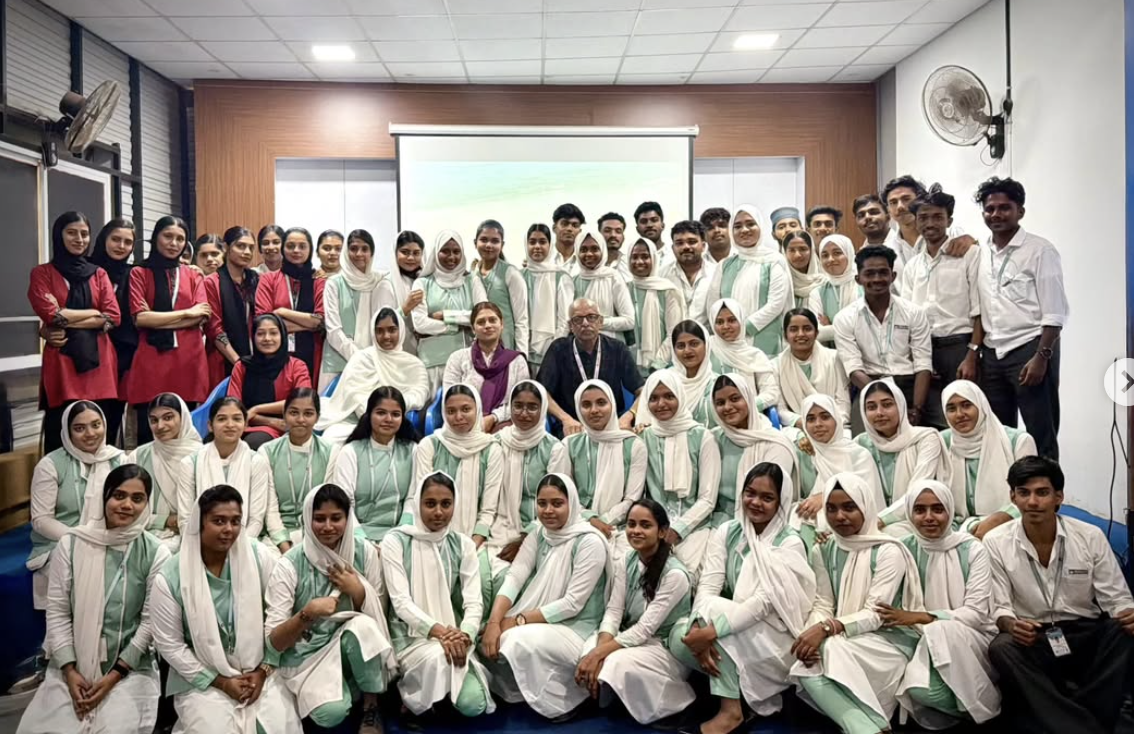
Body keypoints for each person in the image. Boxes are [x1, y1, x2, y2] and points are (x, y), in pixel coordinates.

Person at [984, 456, 1134, 734]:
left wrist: (1128, 615)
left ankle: (1061, 721)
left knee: (1125, 630)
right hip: (1035, 637)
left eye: (1042, 492)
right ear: (1012, 498)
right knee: (1001, 647)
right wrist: (1010, 624)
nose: (1032, 502)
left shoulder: (1090, 536)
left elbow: (1117, 600)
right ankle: (1086, 727)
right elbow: (999, 607)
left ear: (1058, 497)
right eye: (1023, 493)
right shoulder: (996, 541)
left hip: (1086, 632)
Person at [17, 464, 168, 734]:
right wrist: (69, 670)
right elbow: (58, 611)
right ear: (105, 496)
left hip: (129, 670)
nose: (126, 505)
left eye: (137, 498)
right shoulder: (72, 544)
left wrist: (114, 676)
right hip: (72, 665)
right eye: (118, 495)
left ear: (148, 503)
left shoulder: (156, 553)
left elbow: (149, 623)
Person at [672, 463, 816, 731]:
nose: (756, 502)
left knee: (713, 619)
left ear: (781, 502)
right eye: (750, 493)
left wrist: (711, 631)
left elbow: (763, 604)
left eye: (767, 497)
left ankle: (730, 713)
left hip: (775, 637)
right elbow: (709, 583)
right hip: (733, 626)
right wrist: (697, 625)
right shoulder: (729, 531)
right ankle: (737, 696)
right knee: (679, 636)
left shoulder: (788, 542)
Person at [150, 486, 300, 734]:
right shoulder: (171, 575)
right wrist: (221, 682)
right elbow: (170, 644)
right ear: (200, 523)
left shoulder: (257, 555)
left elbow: (280, 611)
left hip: (262, 671)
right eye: (218, 521)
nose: (228, 529)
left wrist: (263, 669)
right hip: (201, 678)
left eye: (235, 521)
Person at [789, 473, 924, 734]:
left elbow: (877, 613)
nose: (840, 516)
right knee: (805, 662)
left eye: (849, 507)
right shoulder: (824, 549)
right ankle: (870, 728)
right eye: (831, 508)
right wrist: (812, 632)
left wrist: (826, 630)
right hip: (845, 635)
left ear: (865, 507)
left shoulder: (888, 550)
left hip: (890, 639)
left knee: (826, 655)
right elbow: (824, 603)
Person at [480, 473, 611, 721]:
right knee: (489, 639)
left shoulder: (589, 541)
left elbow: (573, 604)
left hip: (577, 629)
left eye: (557, 504)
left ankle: (568, 700)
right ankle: (533, 690)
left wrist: (517, 620)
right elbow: (515, 576)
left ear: (572, 504)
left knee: (514, 640)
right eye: (542, 503)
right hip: (543, 620)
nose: (548, 510)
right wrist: (494, 621)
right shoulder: (540, 533)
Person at [264, 484, 394, 733]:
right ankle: (350, 688)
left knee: (363, 627)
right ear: (307, 518)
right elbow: (273, 642)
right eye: (319, 518)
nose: (328, 526)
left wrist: (357, 590)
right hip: (306, 656)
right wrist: (307, 614)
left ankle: (371, 704)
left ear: (348, 519)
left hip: (350, 646)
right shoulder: (289, 565)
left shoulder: (363, 552)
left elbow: (380, 614)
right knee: (330, 715)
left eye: (336, 518)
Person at [888, 480, 1001, 729]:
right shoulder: (902, 549)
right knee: (919, 691)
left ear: (950, 510)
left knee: (941, 630)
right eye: (920, 510)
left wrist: (923, 617)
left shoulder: (972, 549)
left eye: (937, 509)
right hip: (916, 635)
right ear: (909, 513)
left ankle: (986, 707)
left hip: (969, 636)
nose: (929, 517)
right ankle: (972, 709)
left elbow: (975, 614)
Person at [381, 471, 494, 718]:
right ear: (417, 504)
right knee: (437, 660)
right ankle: (412, 695)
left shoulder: (463, 544)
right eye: (430, 504)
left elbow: (474, 602)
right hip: (410, 638)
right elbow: (401, 603)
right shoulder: (396, 541)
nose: (439, 512)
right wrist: (441, 634)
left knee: (474, 705)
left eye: (446, 504)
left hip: (455, 637)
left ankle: (435, 693)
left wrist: (464, 636)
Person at [575, 498, 694, 726]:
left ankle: (675, 704)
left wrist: (599, 655)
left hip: (662, 646)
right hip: (631, 637)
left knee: (615, 662)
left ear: (662, 532)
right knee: (585, 650)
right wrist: (598, 650)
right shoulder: (626, 560)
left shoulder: (675, 575)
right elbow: (613, 611)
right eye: (631, 524)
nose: (635, 531)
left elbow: (644, 630)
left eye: (645, 525)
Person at [974, 177, 1068, 459]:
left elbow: (1055, 312)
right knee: (1001, 437)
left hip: (1030, 349)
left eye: (1005, 208)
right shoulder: (979, 252)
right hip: (992, 354)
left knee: (1041, 433)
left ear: (1020, 212)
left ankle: (1047, 499)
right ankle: (1010, 499)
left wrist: (1042, 357)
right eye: (990, 209)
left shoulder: (1040, 251)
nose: (996, 214)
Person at [30, 212, 122, 453]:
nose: (79, 239)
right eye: (71, 232)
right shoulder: (42, 273)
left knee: (100, 434)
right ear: (59, 236)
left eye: (84, 233)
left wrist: (65, 314)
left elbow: (113, 317)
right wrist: (94, 315)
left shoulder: (99, 273)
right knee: (61, 433)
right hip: (62, 363)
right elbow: (51, 315)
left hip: (101, 363)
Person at [27, 401, 124, 610]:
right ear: (68, 431)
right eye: (79, 428)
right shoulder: (51, 464)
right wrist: (81, 537)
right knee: (83, 567)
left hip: (113, 536)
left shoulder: (119, 460)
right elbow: (41, 520)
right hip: (62, 542)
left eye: (96, 425)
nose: (90, 434)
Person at [900, 185, 982, 428]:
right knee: (934, 422)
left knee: (967, 418)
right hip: (925, 350)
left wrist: (972, 355)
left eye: (937, 217)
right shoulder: (913, 266)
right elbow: (908, 317)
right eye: (923, 217)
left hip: (960, 346)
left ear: (949, 220)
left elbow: (980, 310)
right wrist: (918, 356)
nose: (930, 223)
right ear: (915, 222)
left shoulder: (968, 254)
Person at [127, 216, 209, 445]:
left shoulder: (193, 274)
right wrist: (186, 314)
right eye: (168, 236)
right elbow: (141, 318)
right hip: (151, 360)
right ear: (156, 238)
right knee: (149, 431)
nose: (174, 243)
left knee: (186, 433)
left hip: (188, 361)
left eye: (180, 239)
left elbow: (202, 315)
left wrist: (161, 318)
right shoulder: (139, 273)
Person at [833, 245, 932, 433]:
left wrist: (917, 408)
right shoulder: (845, 318)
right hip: (868, 385)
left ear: (893, 276)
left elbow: (923, 365)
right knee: (862, 442)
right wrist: (883, 399)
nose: (877, 279)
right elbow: (854, 370)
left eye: (883, 273)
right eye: (869, 274)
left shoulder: (914, 313)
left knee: (928, 435)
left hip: (909, 385)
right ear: (858, 279)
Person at [176, 397, 287, 553]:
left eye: (236, 419)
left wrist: (237, 548)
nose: (230, 425)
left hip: (246, 543)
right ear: (210, 426)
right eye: (222, 419)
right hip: (200, 543)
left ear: (245, 424)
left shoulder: (257, 462)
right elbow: (185, 518)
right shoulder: (190, 463)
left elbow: (256, 519)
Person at [638, 370, 721, 576]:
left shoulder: (703, 437)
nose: (661, 404)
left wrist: (677, 530)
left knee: (683, 575)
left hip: (695, 526)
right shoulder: (644, 438)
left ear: (680, 397)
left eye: (669, 396)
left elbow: (707, 500)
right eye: (654, 398)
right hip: (654, 526)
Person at [553, 380, 647, 555]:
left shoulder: (634, 445)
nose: (594, 410)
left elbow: (632, 499)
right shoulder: (569, 445)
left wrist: (604, 521)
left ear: (612, 404)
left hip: (619, 527)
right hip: (575, 522)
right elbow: (561, 495)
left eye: (601, 403)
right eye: (586, 405)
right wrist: (590, 520)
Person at [487, 381, 567, 575]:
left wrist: (525, 539)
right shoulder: (496, 443)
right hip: (496, 528)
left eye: (532, 407)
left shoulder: (554, 448)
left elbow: (556, 504)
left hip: (541, 530)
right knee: (484, 575)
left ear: (543, 410)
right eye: (518, 406)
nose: (524, 413)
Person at [315, 308, 429, 443]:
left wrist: (390, 409)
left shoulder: (414, 365)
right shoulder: (362, 358)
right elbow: (353, 393)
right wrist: (372, 415)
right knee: (331, 438)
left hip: (393, 422)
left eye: (392, 330)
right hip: (355, 421)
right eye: (380, 331)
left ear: (401, 330)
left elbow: (419, 394)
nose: (386, 336)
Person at [942, 380, 1036, 539]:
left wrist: (1000, 518)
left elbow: (1030, 494)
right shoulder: (942, 441)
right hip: (954, 526)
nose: (959, 414)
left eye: (966, 405)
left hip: (1009, 523)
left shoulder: (1018, 441)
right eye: (951, 408)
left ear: (981, 405)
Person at [409, 384, 502, 543]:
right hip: (429, 533)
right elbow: (420, 498)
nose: (458, 417)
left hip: (476, 538)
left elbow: (488, 509)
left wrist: (471, 546)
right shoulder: (429, 445)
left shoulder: (491, 449)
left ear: (477, 410)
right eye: (451, 411)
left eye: (466, 409)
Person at [535, 298, 643, 433]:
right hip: (573, 426)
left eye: (591, 317)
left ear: (600, 322)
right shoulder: (558, 349)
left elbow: (643, 391)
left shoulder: (617, 349)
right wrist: (565, 419)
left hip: (612, 426)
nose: (585, 323)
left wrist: (628, 416)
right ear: (571, 326)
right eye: (578, 319)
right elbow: (541, 391)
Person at [855, 379, 949, 534]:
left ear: (900, 405)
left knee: (890, 534)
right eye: (871, 407)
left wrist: (879, 520)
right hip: (870, 521)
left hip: (916, 518)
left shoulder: (926, 438)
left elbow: (917, 491)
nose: (879, 413)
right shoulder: (860, 443)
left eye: (887, 404)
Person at [791, 395, 883, 548]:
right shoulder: (806, 454)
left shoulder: (858, 455)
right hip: (814, 527)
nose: (818, 424)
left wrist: (825, 497)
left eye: (825, 417)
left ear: (837, 420)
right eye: (811, 419)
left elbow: (869, 502)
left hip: (854, 526)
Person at [709, 374, 796, 530]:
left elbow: (771, 500)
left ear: (749, 399)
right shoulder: (713, 438)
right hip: (713, 524)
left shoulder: (775, 443)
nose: (727, 407)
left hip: (761, 525)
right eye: (720, 403)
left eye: (735, 399)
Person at [705, 204, 794, 355]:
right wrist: (727, 329)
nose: (744, 230)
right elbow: (714, 305)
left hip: (766, 341)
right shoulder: (724, 265)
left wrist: (743, 328)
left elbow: (776, 304)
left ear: (760, 226)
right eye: (737, 226)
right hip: (729, 342)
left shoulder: (774, 260)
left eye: (751, 224)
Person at [334, 386, 418, 544]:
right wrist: (362, 540)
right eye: (381, 413)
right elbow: (344, 503)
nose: (388, 419)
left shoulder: (413, 450)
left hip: (400, 536)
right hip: (356, 537)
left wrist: (399, 538)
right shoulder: (350, 452)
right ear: (369, 415)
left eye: (395, 414)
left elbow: (413, 498)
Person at [320, 228, 399, 392]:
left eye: (365, 249)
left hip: (374, 362)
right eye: (354, 248)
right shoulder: (334, 283)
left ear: (372, 253)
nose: (359, 254)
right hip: (338, 361)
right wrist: (359, 357)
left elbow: (387, 322)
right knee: (332, 412)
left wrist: (369, 359)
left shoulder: (380, 281)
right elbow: (333, 331)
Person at [259, 388, 339, 545]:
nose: (300, 419)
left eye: (308, 413)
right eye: (294, 413)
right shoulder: (267, 452)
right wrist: (283, 543)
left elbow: (329, 502)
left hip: (318, 534)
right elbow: (270, 508)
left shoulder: (331, 451)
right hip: (276, 536)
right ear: (284, 415)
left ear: (317, 418)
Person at [410, 230, 488, 391]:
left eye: (456, 251)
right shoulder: (422, 284)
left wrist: (445, 316)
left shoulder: (472, 281)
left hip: (468, 363)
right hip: (433, 364)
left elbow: (483, 315)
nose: (451, 257)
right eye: (445, 251)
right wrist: (458, 325)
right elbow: (420, 324)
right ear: (435, 252)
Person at [125, 393, 202, 549]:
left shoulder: (202, 456)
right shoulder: (138, 456)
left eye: (168, 418)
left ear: (183, 417)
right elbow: (127, 509)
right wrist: (164, 520)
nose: (160, 426)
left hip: (195, 537)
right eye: (154, 420)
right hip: (145, 537)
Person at [226, 314, 312, 449]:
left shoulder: (297, 366)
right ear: (253, 337)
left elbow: (301, 402)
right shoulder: (242, 366)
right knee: (212, 443)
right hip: (242, 424)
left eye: (273, 333)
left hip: (283, 428)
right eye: (260, 334)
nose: (267, 338)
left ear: (282, 336)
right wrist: (268, 420)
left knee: (254, 443)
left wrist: (256, 409)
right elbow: (234, 405)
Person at [443, 301, 530, 431]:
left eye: (492, 320)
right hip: (464, 422)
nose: (487, 325)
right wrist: (473, 420)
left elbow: (522, 402)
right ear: (473, 329)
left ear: (501, 325)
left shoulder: (516, 361)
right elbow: (449, 399)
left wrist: (494, 417)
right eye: (481, 322)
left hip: (505, 423)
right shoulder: (457, 358)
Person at [254, 226, 325, 385]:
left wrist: (282, 312)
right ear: (283, 249)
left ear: (310, 249)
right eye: (290, 246)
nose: (296, 250)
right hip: (274, 351)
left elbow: (321, 321)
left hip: (312, 351)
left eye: (302, 246)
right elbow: (264, 321)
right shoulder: (268, 279)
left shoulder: (319, 282)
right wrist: (309, 324)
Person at [89, 217, 138, 444]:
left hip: (122, 358)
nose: (121, 246)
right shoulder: (86, 270)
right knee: (86, 416)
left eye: (127, 242)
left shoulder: (134, 274)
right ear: (103, 239)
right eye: (115, 239)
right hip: (87, 354)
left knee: (111, 420)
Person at [775, 308, 850, 428]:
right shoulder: (776, 365)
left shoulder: (834, 358)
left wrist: (829, 424)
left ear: (816, 333)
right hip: (798, 427)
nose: (800, 334)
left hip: (835, 425)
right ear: (785, 335)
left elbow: (843, 403)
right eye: (794, 329)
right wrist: (805, 424)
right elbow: (781, 409)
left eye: (807, 328)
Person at [204, 226, 259, 388]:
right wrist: (238, 362)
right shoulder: (212, 282)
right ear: (226, 247)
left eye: (251, 247)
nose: (247, 252)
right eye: (240, 246)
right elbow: (214, 328)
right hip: (222, 360)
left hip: (254, 358)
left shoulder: (255, 280)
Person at [706, 299, 781, 411]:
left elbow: (772, 393)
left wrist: (747, 406)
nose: (726, 326)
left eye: (732, 320)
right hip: (714, 416)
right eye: (720, 322)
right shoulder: (707, 350)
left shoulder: (755, 355)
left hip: (750, 417)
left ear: (741, 321)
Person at [627, 238, 684, 375]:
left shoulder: (668, 290)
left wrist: (657, 365)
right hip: (629, 370)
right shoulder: (623, 289)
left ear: (654, 258)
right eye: (634, 257)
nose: (639, 262)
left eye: (645, 257)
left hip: (663, 369)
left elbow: (674, 333)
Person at [472, 219, 530, 355]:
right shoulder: (472, 276)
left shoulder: (510, 273)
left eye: (495, 241)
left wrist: (522, 356)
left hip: (507, 347)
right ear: (475, 243)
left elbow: (521, 321)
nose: (488, 245)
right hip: (481, 349)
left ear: (502, 245)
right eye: (484, 240)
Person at [522, 223, 573, 370]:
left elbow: (564, 320)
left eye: (542, 242)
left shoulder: (561, 277)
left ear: (550, 245)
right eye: (532, 242)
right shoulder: (518, 276)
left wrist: (554, 351)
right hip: (523, 349)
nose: (537, 246)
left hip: (552, 350)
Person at [571, 228, 635, 342]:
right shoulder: (572, 281)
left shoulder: (612, 277)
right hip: (579, 348)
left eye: (595, 249)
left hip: (611, 347)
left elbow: (629, 321)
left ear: (603, 250)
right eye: (583, 249)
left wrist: (596, 322)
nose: (589, 254)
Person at [809, 234, 859, 344]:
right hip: (831, 356)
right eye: (825, 255)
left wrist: (829, 327)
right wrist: (850, 329)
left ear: (849, 254)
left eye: (837, 253)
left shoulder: (864, 287)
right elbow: (817, 333)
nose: (830, 259)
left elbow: (866, 330)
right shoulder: (817, 292)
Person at [660, 220, 714, 319]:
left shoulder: (716, 273)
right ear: (673, 248)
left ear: (703, 246)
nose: (686, 247)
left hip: (708, 334)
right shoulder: (661, 276)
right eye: (679, 243)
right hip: (672, 334)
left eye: (692, 242)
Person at [668, 320, 718, 425]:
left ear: (706, 345)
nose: (687, 351)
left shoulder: (717, 384)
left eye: (694, 344)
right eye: (681, 346)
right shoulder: (665, 381)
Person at [390, 230, 426, 356]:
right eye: (404, 252)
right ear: (395, 253)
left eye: (416, 253)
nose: (411, 258)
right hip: (398, 353)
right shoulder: (386, 283)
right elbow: (381, 322)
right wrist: (405, 308)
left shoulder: (427, 281)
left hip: (429, 352)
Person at [783, 231, 822, 310]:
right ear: (784, 253)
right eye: (792, 250)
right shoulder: (780, 283)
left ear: (811, 251)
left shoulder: (824, 283)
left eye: (803, 249)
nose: (797, 255)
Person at [551, 203, 585, 273]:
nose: (569, 229)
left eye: (575, 225)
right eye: (564, 224)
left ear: (580, 231)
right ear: (554, 228)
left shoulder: (586, 260)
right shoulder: (543, 257)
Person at [634, 201, 669, 267]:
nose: (649, 225)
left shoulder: (674, 257)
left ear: (662, 225)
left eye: (654, 220)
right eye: (644, 221)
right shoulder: (630, 260)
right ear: (637, 229)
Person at [597, 212, 630, 281]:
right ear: (598, 236)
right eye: (607, 231)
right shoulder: (587, 263)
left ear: (623, 237)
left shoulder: (630, 264)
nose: (613, 235)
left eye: (618, 231)